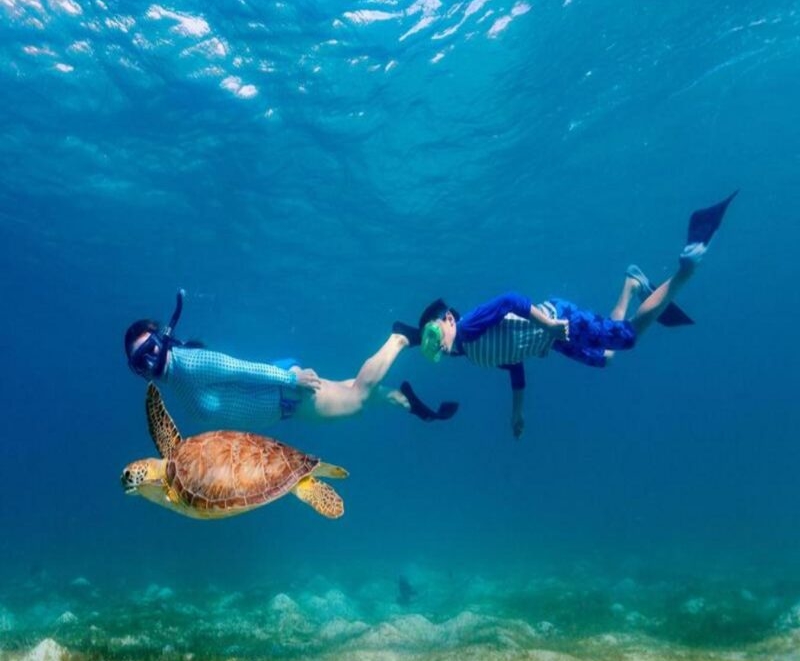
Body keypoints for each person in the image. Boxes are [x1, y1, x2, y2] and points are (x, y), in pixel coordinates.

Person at [395, 192, 736, 439]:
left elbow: (510, 299)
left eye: (434, 333)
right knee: (606, 358)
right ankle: (631, 284)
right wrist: (517, 412)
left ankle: (686, 269)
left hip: (559, 319)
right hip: (553, 341)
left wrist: (550, 325)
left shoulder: (469, 325)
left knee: (627, 338)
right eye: (432, 345)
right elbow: (514, 365)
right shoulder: (472, 353)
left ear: (449, 320)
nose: (437, 344)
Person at [125, 291, 458, 434]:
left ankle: (399, 338)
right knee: (349, 392)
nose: (150, 362)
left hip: (286, 392)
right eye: (140, 362)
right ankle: (404, 401)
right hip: (281, 401)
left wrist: (291, 380)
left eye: (150, 349)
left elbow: (242, 368)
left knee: (356, 399)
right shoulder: (177, 377)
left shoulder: (189, 363)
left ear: (162, 339)